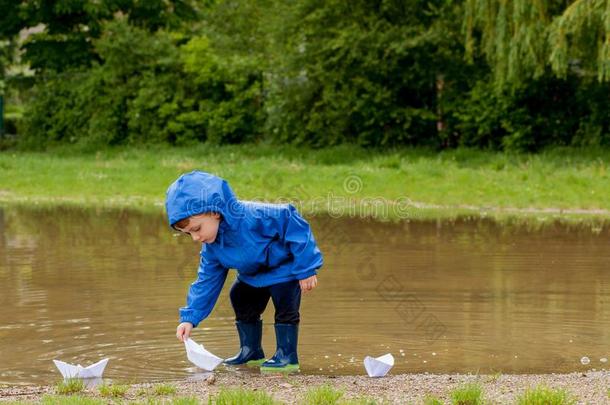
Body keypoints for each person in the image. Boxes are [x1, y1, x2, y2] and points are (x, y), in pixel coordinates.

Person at [165, 170, 323, 371]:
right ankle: (251, 351)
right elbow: (206, 282)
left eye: (197, 229)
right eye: (188, 234)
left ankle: (287, 355)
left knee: (285, 304)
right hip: (252, 276)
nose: (196, 238)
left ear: (215, 211)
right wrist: (190, 318)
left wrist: (306, 268)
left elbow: (292, 222)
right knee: (239, 296)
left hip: (283, 270)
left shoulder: (254, 216)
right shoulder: (212, 248)